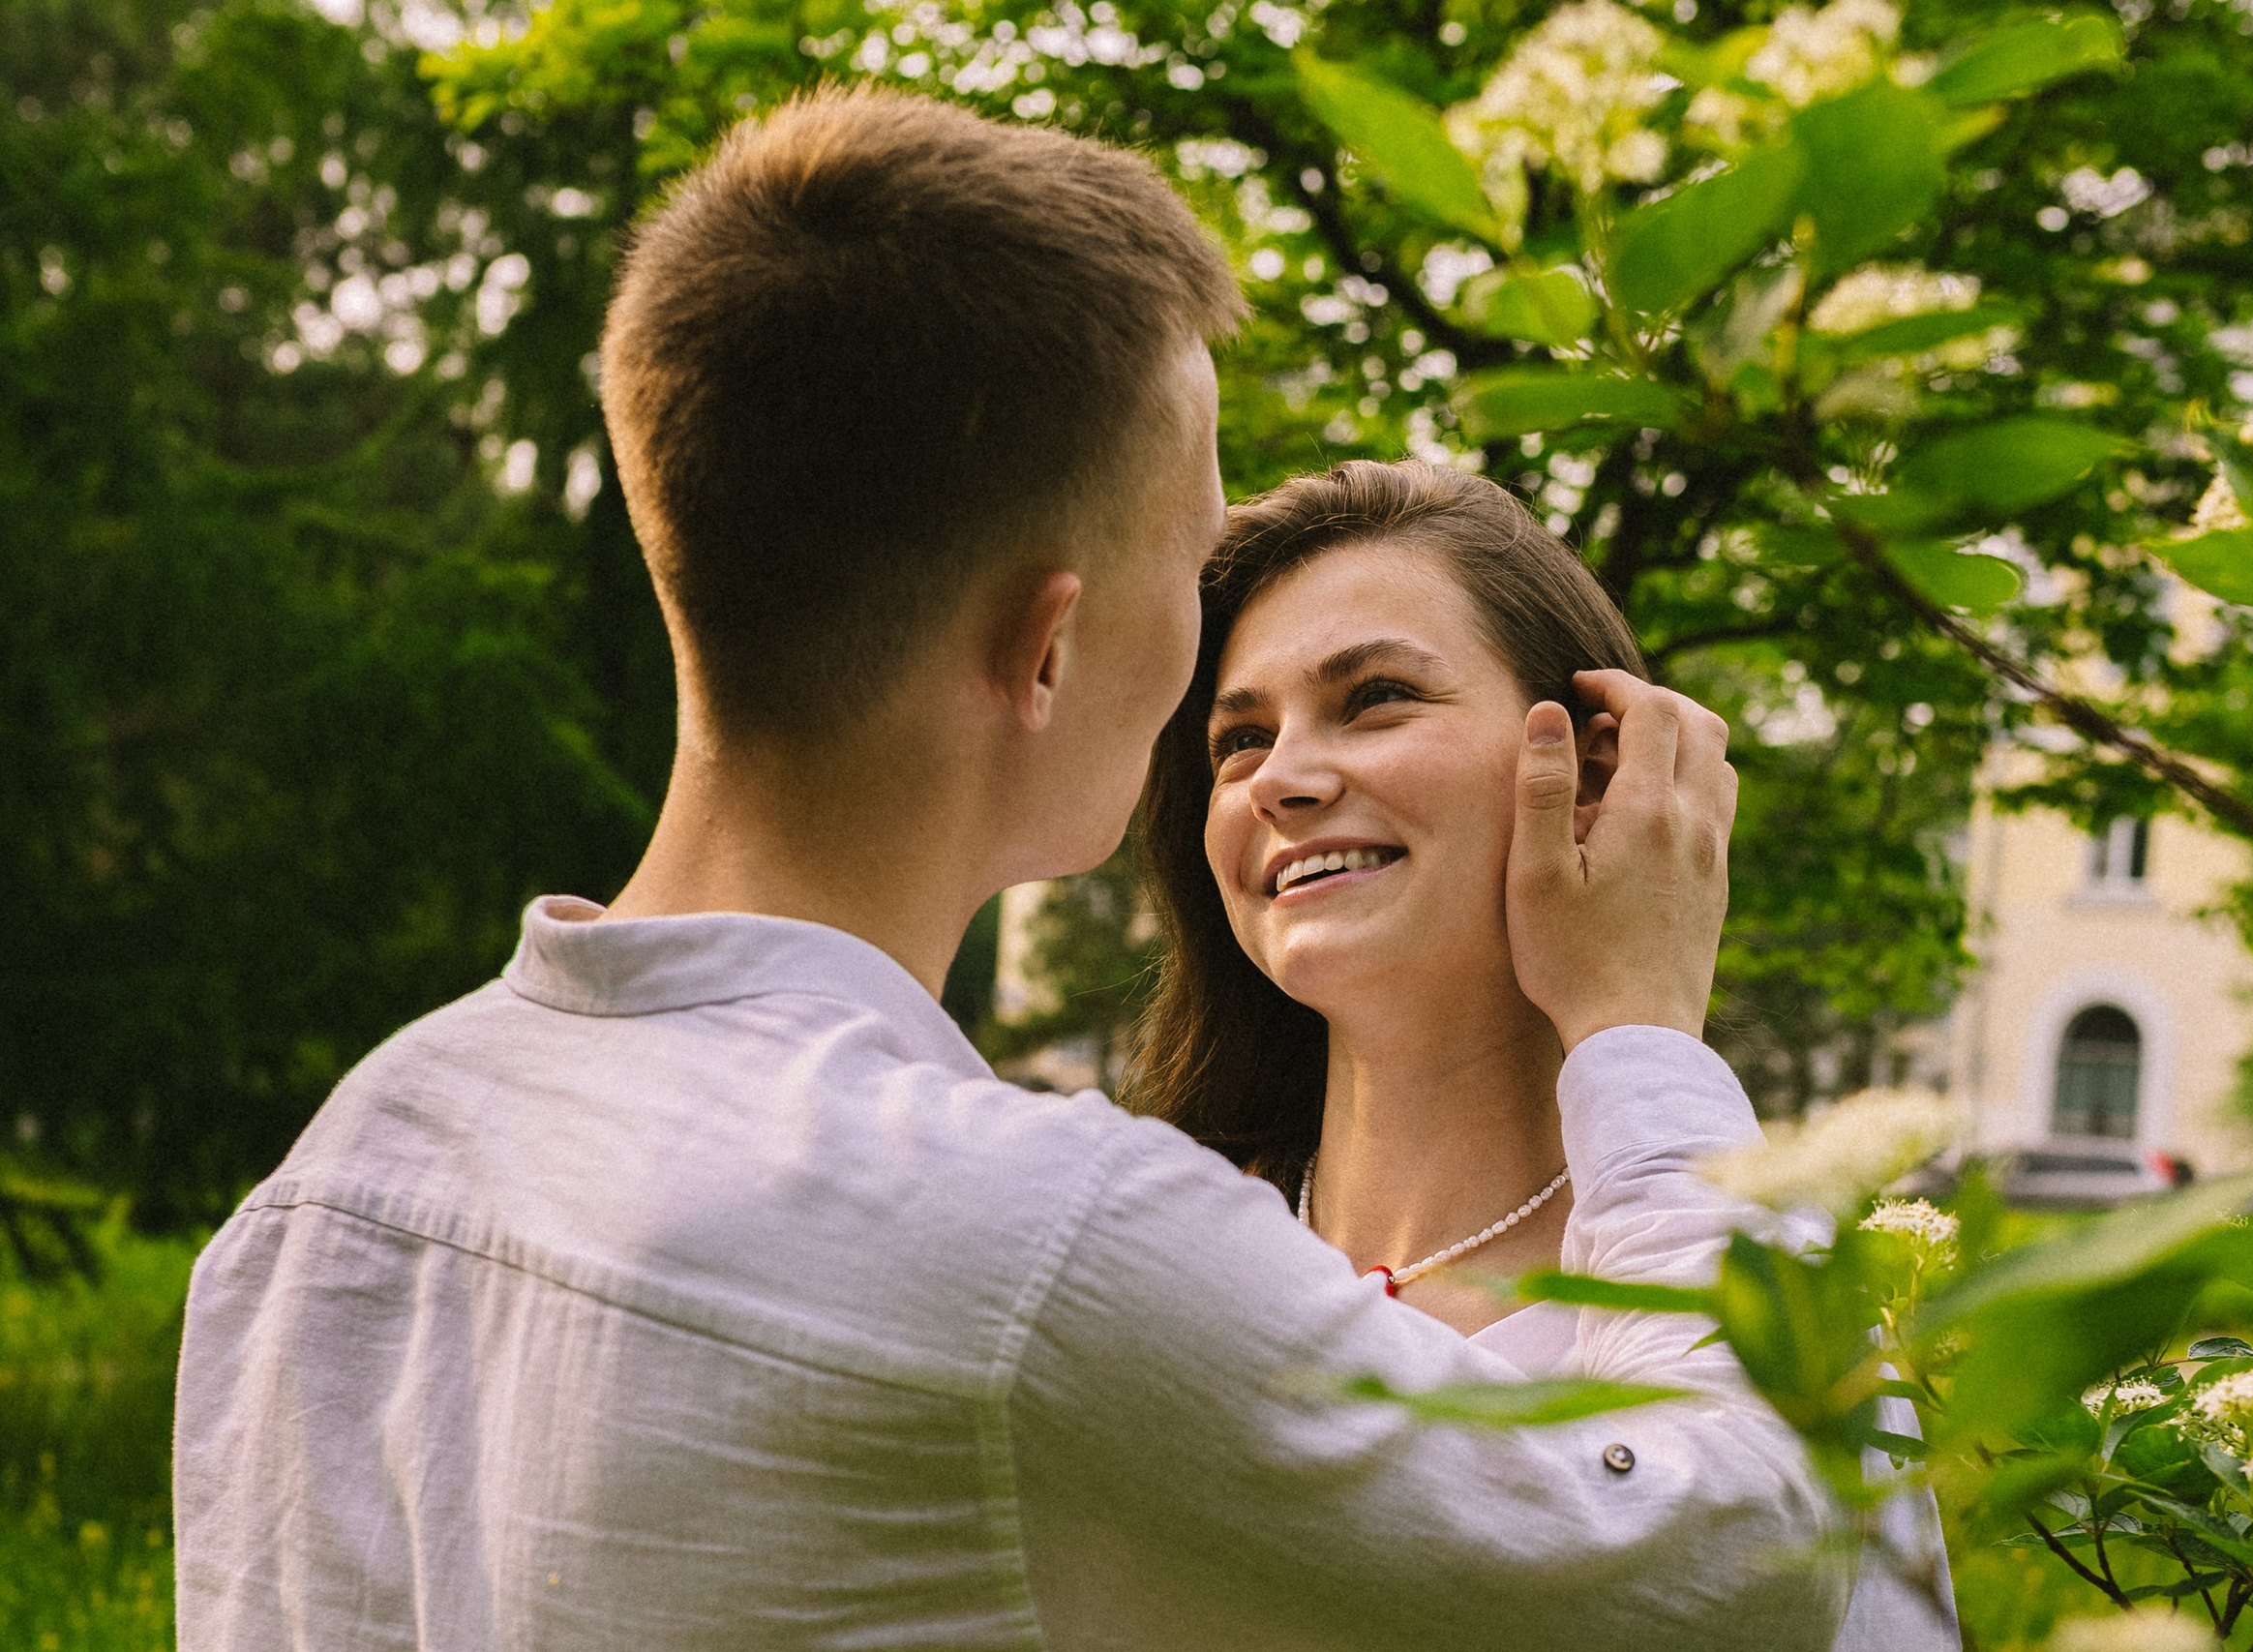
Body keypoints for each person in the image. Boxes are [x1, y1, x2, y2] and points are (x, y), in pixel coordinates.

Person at [172, 87, 1845, 1650]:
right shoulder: (1049, 1246)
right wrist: (1645, 1039)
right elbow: (1741, 1568)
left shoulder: (330, 1188)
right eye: (1188, 568)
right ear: (1047, 648)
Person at [1132, 458, 1961, 1650]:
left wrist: (1637, 1017)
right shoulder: (1146, 1252)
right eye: (1239, 738)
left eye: (1372, 697)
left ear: (1596, 767)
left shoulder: (1772, 1291)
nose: (1284, 781)